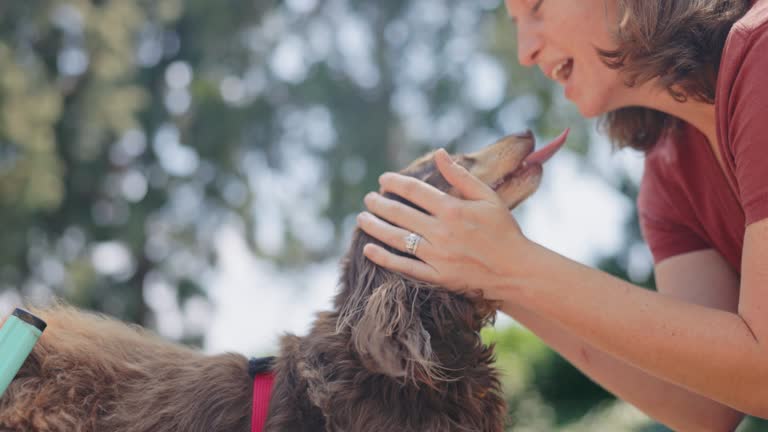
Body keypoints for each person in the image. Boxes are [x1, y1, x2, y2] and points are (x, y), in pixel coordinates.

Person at [354, 0, 768, 430]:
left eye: (536, 8)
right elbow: (703, 404)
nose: (525, 52)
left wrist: (512, 266)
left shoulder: (762, 50)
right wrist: (492, 280)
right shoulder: (671, 176)